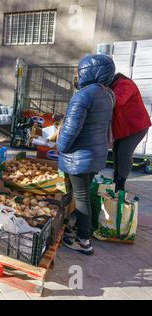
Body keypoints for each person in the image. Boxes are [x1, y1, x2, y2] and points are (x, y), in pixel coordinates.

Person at [57, 54, 116, 255]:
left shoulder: (82, 96)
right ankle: (78, 228)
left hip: (79, 156)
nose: (77, 75)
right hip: (96, 153)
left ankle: (83, 240)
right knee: (82, 195)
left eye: (79, 71)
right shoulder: (108, 94)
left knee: (81, 197)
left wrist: (60, 146)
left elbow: (71, 130)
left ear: (88, 71)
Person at [109, 73, 152, 192]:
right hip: (124, 127)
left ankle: (120, 183)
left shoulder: (124, 83)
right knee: (116, 151)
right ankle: (116, 179)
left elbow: (118, 101)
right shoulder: (113, 86)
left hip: (136, 126)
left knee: (124, 153)